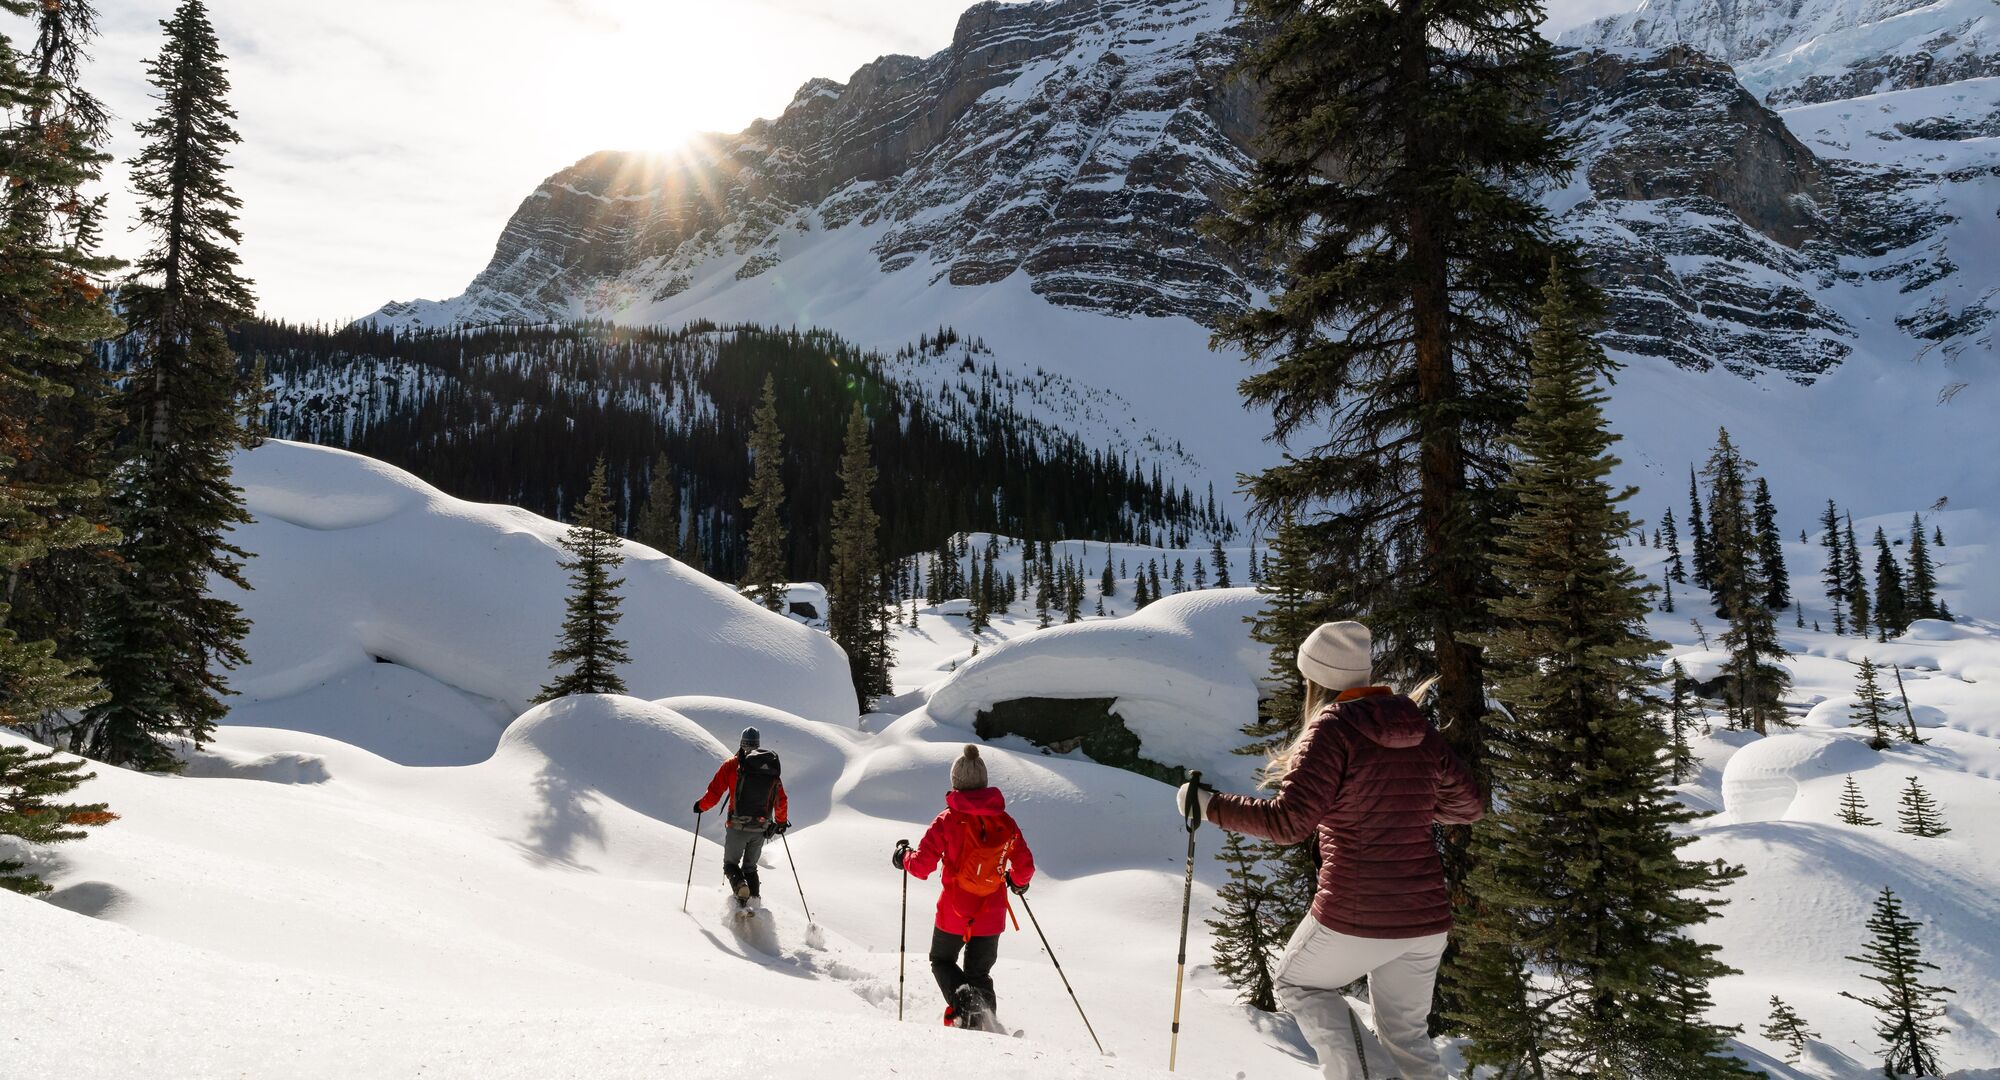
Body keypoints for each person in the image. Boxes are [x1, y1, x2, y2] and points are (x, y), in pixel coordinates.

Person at [1177, 621, 1482, 1080]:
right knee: (1407, 1037)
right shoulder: (1414, 724)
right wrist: (1401, 802)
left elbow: (1288, 822)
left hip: (1357, 910)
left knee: (1297, 982)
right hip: (1424, 920)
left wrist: (1208, 806)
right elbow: (1469, 805)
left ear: (1315, 678)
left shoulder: (1332, 730)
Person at [892, 745, 1035, 1031]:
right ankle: (987, 1027)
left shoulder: (947, 820)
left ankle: (966, 1006)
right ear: (983, 782)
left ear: (955, 782)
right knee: (979, 973)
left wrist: (903, 856)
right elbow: (1025, 867)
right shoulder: (1004, 822)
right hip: (991, 913)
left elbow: (921, 867)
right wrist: (1018, 884)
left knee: (941, 960)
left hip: (954, 911)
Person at [693, 726, 789, 911]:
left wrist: (700, 806)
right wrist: (781, 822)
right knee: (750, 867)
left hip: (737, 826)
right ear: (758, 744)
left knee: (730, 864)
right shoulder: (769, 769)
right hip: (761, 828)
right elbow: (781, 799)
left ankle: (741, 890)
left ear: (741, 743)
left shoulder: (731, 765)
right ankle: (754, 901)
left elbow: (714, 793)